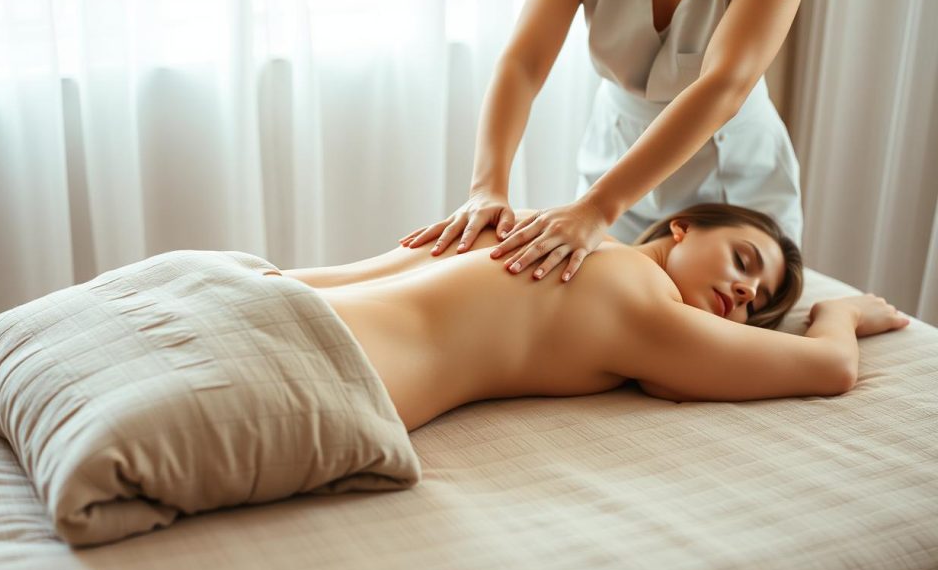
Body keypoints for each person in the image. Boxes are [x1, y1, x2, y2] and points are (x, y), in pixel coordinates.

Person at [283, 204, 910, 432]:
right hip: (322, 370)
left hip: (256, 287)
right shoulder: (638, 296)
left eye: (757, 302)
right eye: (744, 261)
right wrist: (841, 311)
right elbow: (829, 366)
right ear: (678, 228)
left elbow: (669, 377)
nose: (745, 292)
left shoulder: (527, 226)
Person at [401, 0, 806, 285]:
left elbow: (725, 86)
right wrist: (487, 188)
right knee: (590, 301)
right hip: (617, 159)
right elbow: (522, 64)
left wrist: (596, 208)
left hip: (736, 188)